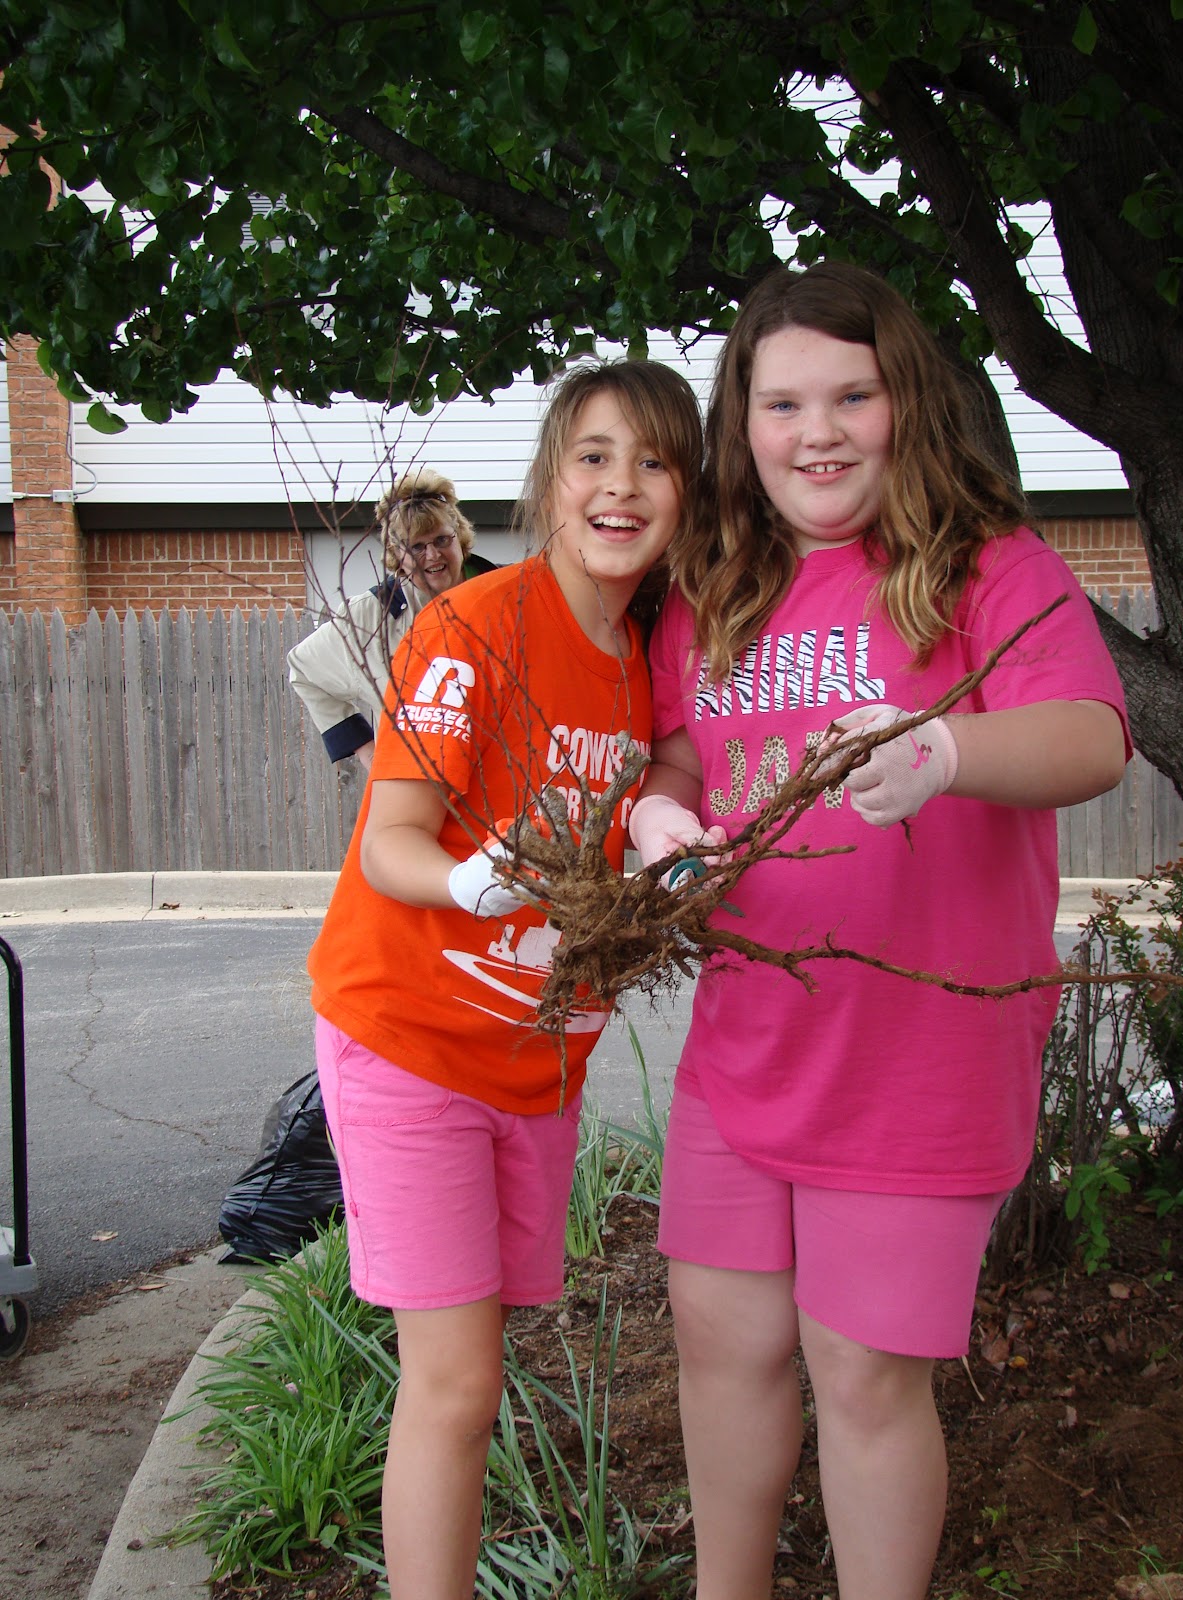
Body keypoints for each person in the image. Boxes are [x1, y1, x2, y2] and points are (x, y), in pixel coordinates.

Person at [628, 261, 1130, 1600]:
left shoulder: (989, 565)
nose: (819, 432)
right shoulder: (715, 585)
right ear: (744, 425)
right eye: (784, 403)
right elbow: (679, 756)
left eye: (851, 395)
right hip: (749, 1045)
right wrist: (657, 823)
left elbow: (1092, 735)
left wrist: (951, 747)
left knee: (860, 1370)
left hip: (923, 1054)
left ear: (904, 402)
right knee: (718, 1342)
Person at [305, 360, 702, 1599]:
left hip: (537, 1060)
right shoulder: (476, 623)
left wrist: (658, 821)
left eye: (653, 461)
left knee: (483, 1368)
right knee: (458, 1382)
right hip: (410, 1035)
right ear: (549, 478)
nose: (621, 486)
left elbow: (658, 774)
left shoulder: (644, 660)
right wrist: (476, 878)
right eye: (593, 456)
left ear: (692, 491)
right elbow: (391, 840)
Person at [287, 467, 494, 770]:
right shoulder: (371, 618)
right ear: (397, 554)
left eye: (441, 541)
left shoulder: (509, 591)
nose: (433, 556)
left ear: (459, 536)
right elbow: (304, 670)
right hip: (420, 789)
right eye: (417, 547)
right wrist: (368, 752)